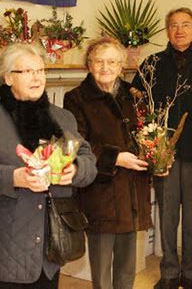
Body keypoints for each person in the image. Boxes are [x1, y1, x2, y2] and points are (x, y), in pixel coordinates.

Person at [0, 43, 97, 289]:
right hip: (1, 245)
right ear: (8, 77)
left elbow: (87, 159)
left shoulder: (62, 118)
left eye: (41, 71)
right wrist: (13, 178)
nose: (38, 78)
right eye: (28, 71)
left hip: (49, 244)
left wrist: (75, 170)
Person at [132, 7, 192, 289]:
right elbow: (137, 103)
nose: (180, 30)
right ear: (167, 30)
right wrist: (149, 143)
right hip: (164, 156)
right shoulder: (152, 63)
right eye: (174, 25)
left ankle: (191, 274)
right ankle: (170, 273)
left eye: (186, 25)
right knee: (168, 216)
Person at [63, 37, 152, 289]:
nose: (105, 67)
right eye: (99, 61)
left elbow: (145, 132)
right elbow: (76, 143)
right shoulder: (76, 98)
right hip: (100, 189)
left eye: (112, 62)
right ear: (89, 65)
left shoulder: (135, 95)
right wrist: (117, 158)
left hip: (132, 189)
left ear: (122, 66)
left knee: (127, 264)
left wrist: (156, 155)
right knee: (101, 266)